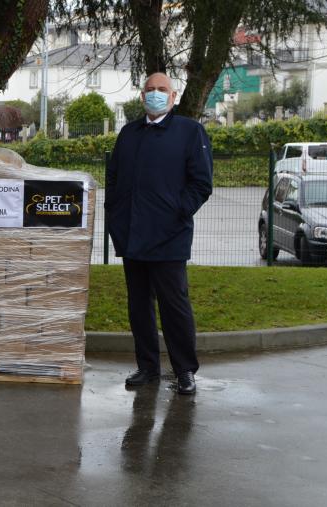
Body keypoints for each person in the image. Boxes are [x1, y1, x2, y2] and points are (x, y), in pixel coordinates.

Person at [105, 72, 213, 395]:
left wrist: (178, 211)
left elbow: (201, 183)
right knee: (139, 306)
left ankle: (185, 370)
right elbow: (113, 178)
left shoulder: (190, 132)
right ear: (142, 96)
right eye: (150, 89)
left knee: (174, 306)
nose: (155, 94)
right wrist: (116, 216)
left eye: (162, 89)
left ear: (173, 96)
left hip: (170, 237)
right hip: (132, 235)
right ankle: (148, 367)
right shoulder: (129, 134)